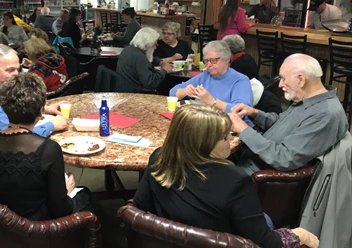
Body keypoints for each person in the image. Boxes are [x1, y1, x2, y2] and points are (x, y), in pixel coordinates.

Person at [134, 104, 320, 248]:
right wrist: (299, 235)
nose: (231, 140)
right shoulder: (235, 180)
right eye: (224, 137)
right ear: (202, 143)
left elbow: (140, 208)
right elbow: (265, 242)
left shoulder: (158, 157)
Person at [0, 73, 89, 221]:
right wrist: (65, 192)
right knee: (85, 195)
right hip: (34, 231)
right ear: (41, 111)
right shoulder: (48, 149)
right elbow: (60, 210)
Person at [228, 54, 349, 175]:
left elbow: (284, 158)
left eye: (283, 78)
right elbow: (282, 123)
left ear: (301, 79)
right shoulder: (308, 100)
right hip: (251, 158)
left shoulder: (324, 114)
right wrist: (254, 113)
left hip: (255, 174)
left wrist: (244, 130)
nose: (280, 84)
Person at [170, 40, 254, 126]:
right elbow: (172, 92)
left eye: (213, 60)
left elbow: (242, 112)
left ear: (226, 59)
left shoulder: (240, 80)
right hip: (204, 125)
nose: (208, 65)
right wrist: (184, 91)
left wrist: (212, 101)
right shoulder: (205, 75)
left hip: (231, 129)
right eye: (206, 61)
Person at [116, 28, 172, 92]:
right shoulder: (138, 56)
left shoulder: (128, 49)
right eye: (154, 44)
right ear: (147, 44)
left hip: (124, 88)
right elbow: (150, 83)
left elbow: (148, 58)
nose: (155, 47)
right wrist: (164, 70)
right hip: (134, 93)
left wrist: (159, 62)